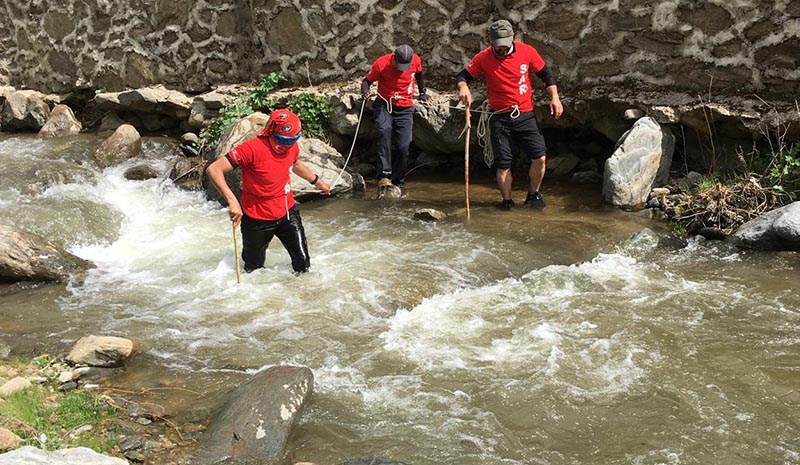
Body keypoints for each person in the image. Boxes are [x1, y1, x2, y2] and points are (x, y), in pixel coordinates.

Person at [206, 108, 331, 274]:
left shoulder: (291, 146)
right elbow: (214, 169)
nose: (288, 145)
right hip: (257, 218)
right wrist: (232, 201)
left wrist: (316, 181)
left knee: (303, 265)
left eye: (293, 140)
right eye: (283, 140)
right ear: (271, 132)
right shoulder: (250, 149)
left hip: (287, 213)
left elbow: (295, 163)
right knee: (253, 271)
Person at [455, 19, 563, 209]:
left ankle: (533, 195)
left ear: (513, 37)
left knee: (540, 157)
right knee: (504, 164)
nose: (502, 49)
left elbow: (546, 75)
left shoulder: (527, 52)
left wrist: (555, 97)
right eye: (498, 46)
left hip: (525, 114)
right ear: (491, 41)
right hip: (500, 117)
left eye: (505, 45)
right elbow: (463, 75)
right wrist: (463, 87)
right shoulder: (483, 57)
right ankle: (507, 201)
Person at [361, 44, 430, 189]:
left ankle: (399, 181)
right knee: (384, 132)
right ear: (394, 58)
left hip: (405, 108)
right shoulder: (381, 64)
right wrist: (365, 92)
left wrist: (423, 92)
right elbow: (366, 81)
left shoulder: (416, 60)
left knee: (404, 145)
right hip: (385, 104)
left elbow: (419, 75)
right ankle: (384, 175)